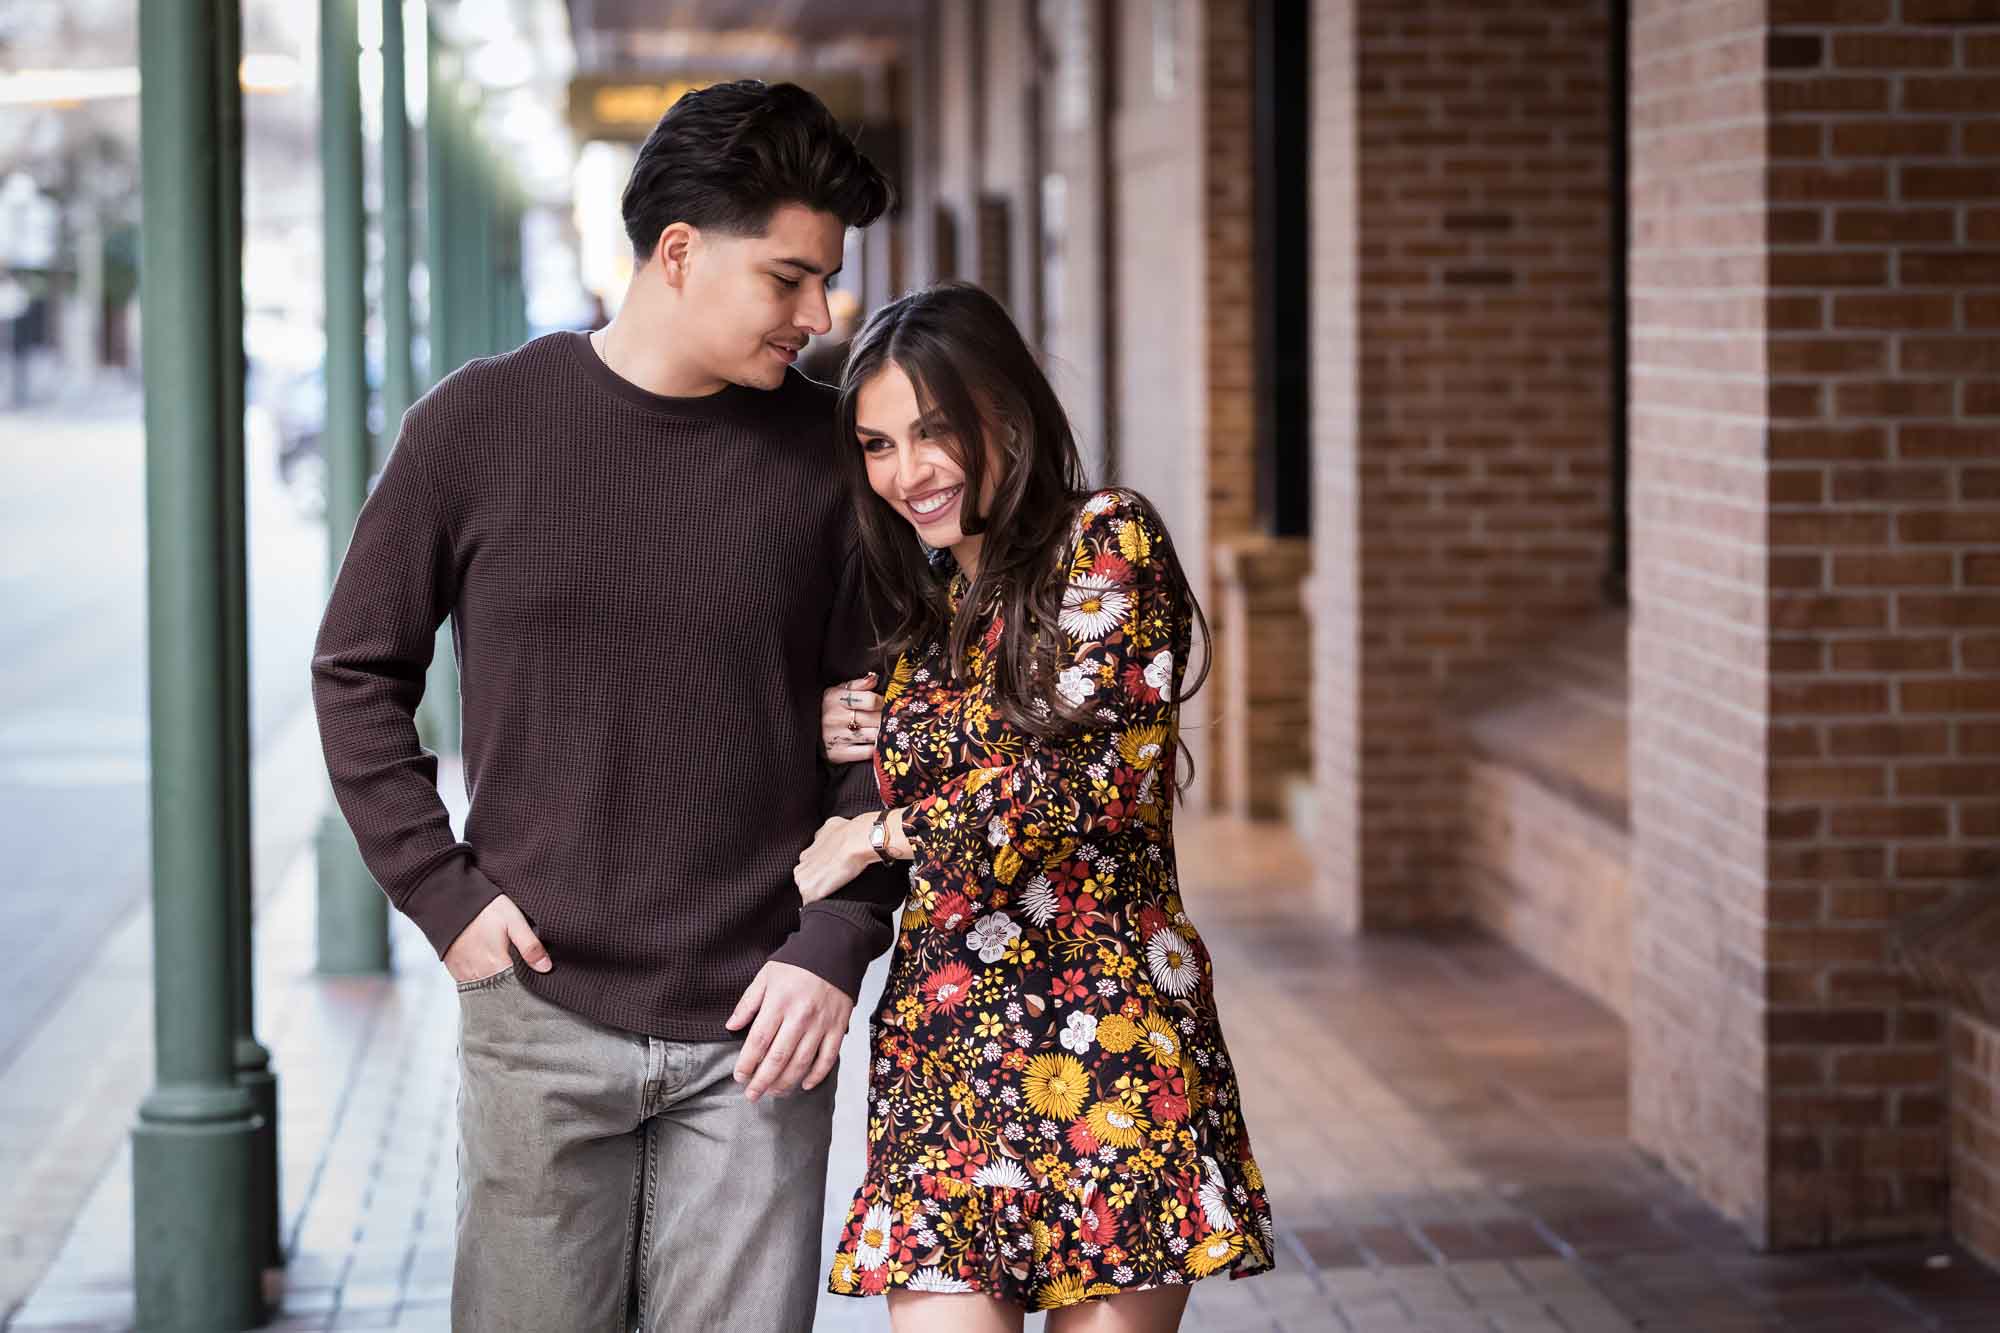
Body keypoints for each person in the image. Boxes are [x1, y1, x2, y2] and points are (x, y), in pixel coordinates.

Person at [310, 80, 903, 1331]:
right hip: (538, 1002)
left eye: (826, 281)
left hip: (762, 1018)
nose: (818, 313)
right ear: (677, 253)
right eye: (788, 278)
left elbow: (892, 716)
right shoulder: (476, 424)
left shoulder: (828, 456)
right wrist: (440, 894)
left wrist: (836, 941)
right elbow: (357, 669)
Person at [795, 282, 1275, 1330]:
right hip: (942, 1054)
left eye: (933, 431)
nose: (908, 472)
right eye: (877, 445)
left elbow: (1075, 786)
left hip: (1108, 1040)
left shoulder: (1107, 543)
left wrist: (883, 830)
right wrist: (840, 720)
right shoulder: (913, 612)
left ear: (1003, 416)